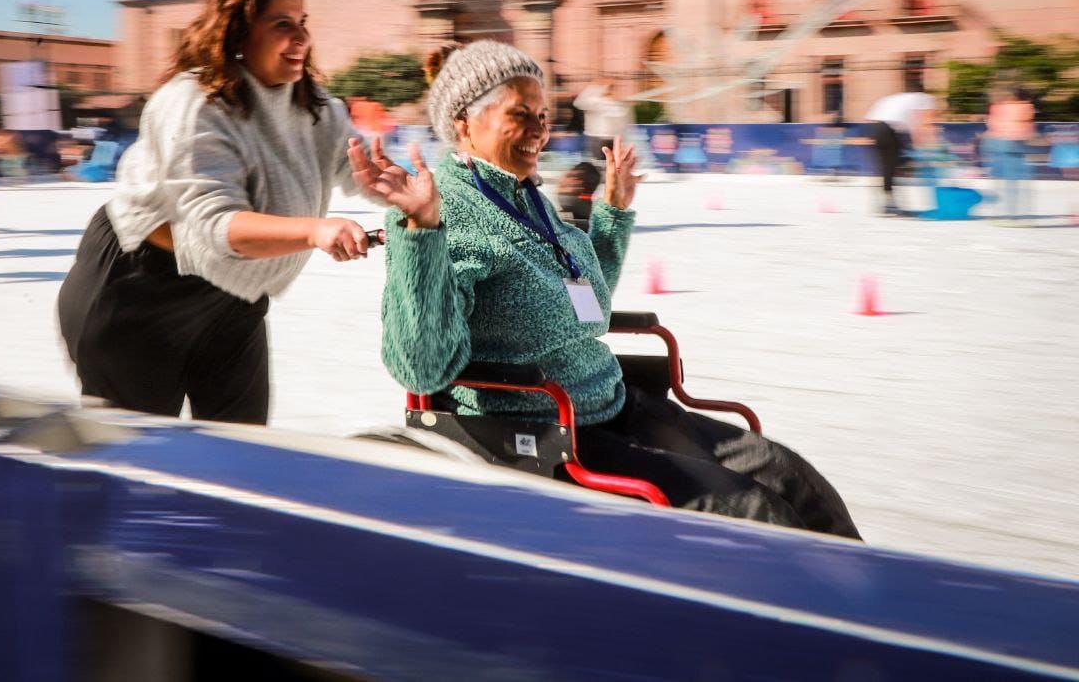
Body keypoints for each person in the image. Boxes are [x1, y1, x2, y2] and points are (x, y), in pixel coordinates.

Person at [350, 40, 860, 537]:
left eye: (543, 116)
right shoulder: (448, 211)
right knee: (753, 513)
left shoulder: (528, 199)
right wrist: (420, 230)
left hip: (612, 404)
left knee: (792, 478)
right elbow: (422, 367)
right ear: (463, 123)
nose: (538, 131)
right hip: (548, 428)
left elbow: (586, 304)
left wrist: (613, 212)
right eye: (519, 115)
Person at [57, 0, 377, 424]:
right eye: (281, 24)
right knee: (142, 467)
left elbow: (359, 166)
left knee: (240, 453)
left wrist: (411, 189)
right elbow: (211, 225)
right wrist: (315, 230)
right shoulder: (193, 102)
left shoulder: (312, 106)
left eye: (303, 23)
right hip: (138, 293)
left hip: (232, 296)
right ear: (237, 32)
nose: (302, 38)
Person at [864, 91, 938, 215]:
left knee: (891, 166)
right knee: (891, 167)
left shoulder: (901, 98)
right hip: (888, 130)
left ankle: (888, 201)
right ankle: (889, 204)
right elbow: (920, 123)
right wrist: (919, 145)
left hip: (877, 127)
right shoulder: (925, 99)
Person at [984, 85, 1036, 219]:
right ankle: (1017, 213)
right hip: (1016, 144)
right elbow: (1028, 126)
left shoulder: (999, 106)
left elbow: (992, 124)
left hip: (1000, 143)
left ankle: (1004, 211)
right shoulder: (1027, 107)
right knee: (1016, 180)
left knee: (1002, 179)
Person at [572, 79, 629, 160]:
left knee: (611, 164)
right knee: (598, 163)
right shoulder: (594, 101)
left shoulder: (616, 105)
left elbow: (622, 125)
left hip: (611, 139)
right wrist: (595, 87)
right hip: (596, 139)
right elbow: (578, 103)